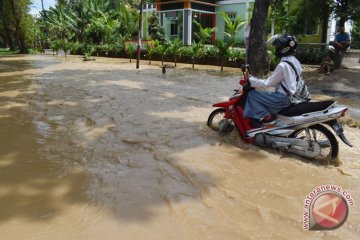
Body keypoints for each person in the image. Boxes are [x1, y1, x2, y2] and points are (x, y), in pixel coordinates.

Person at [241, 34, 300, 125]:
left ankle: (266, 116)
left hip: (282, 98)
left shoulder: (283, 65)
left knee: (252, 95)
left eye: (278, 47)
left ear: (284, 48)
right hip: (292, 97)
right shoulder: (295, 62)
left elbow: (268, 83)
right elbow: (283, 80)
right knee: (264, 93)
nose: (276, 49)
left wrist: (251, 81)